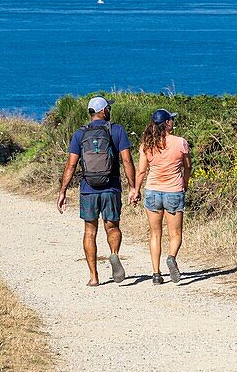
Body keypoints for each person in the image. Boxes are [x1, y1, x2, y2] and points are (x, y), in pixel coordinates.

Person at [57, 96, 137, 286]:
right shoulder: (116, 130)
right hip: (111, 187)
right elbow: (127, 160)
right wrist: (133, 187)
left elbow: (71, 165)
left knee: (89, 231)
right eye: (108, 108)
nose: (109, 110)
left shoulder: (80, 134)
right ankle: (114, 254)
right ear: (103, 111)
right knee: (112, 227)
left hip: (88, 188)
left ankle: (94, 277)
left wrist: (63, 191)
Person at [134, 108, 190, 285]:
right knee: (175, 233)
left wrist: (136, 190)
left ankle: (156, 274)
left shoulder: (147, 144)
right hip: (173, 191)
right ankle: (171, 257)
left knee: (155, 234)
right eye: (171, 120)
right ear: (167, 123)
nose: (173, 122)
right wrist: (185, 183)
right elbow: (187, 166)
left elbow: (142, 170)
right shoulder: (180, 142)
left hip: (152, 191)